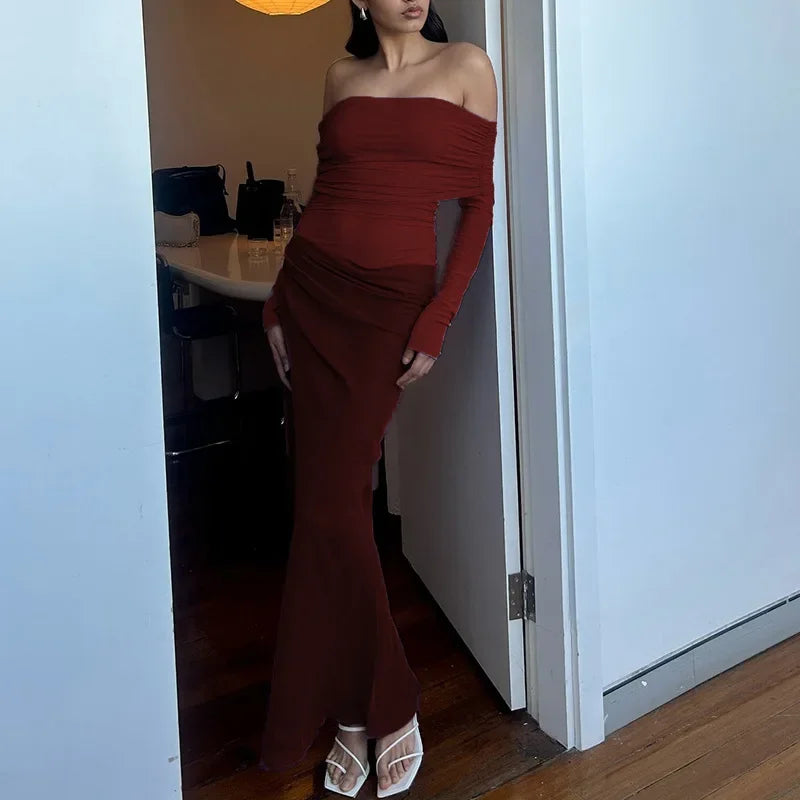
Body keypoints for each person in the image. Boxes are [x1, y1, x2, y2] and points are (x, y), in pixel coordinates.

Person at [258, 0, 498, 795]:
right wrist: (277, 299)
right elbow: (326, 192)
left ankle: (375, 703)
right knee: (325, 510)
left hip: (389, 302)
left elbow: (477, 204)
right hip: (313, 291)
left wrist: (440, 315)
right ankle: (367, 708)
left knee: (330, 509)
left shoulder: (465, 66)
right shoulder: (341, 76)